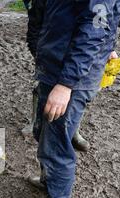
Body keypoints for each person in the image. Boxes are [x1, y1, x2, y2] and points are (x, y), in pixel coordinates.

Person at [27, 0, 120, 198]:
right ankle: (48, 180)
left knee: (57, 140)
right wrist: (37, 49)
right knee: (42, 131)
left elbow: (95, 29)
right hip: (52, 66)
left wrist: (66, 84)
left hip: (72, 77)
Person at [24, 0, 90, 152]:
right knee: (43, 118)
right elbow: (34, 27)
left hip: (78, 56)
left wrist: (108, 46)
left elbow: (97, 28)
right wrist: (40, 57)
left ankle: (73, 131)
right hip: (50, 57)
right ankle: (35, 123)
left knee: (76, 99)